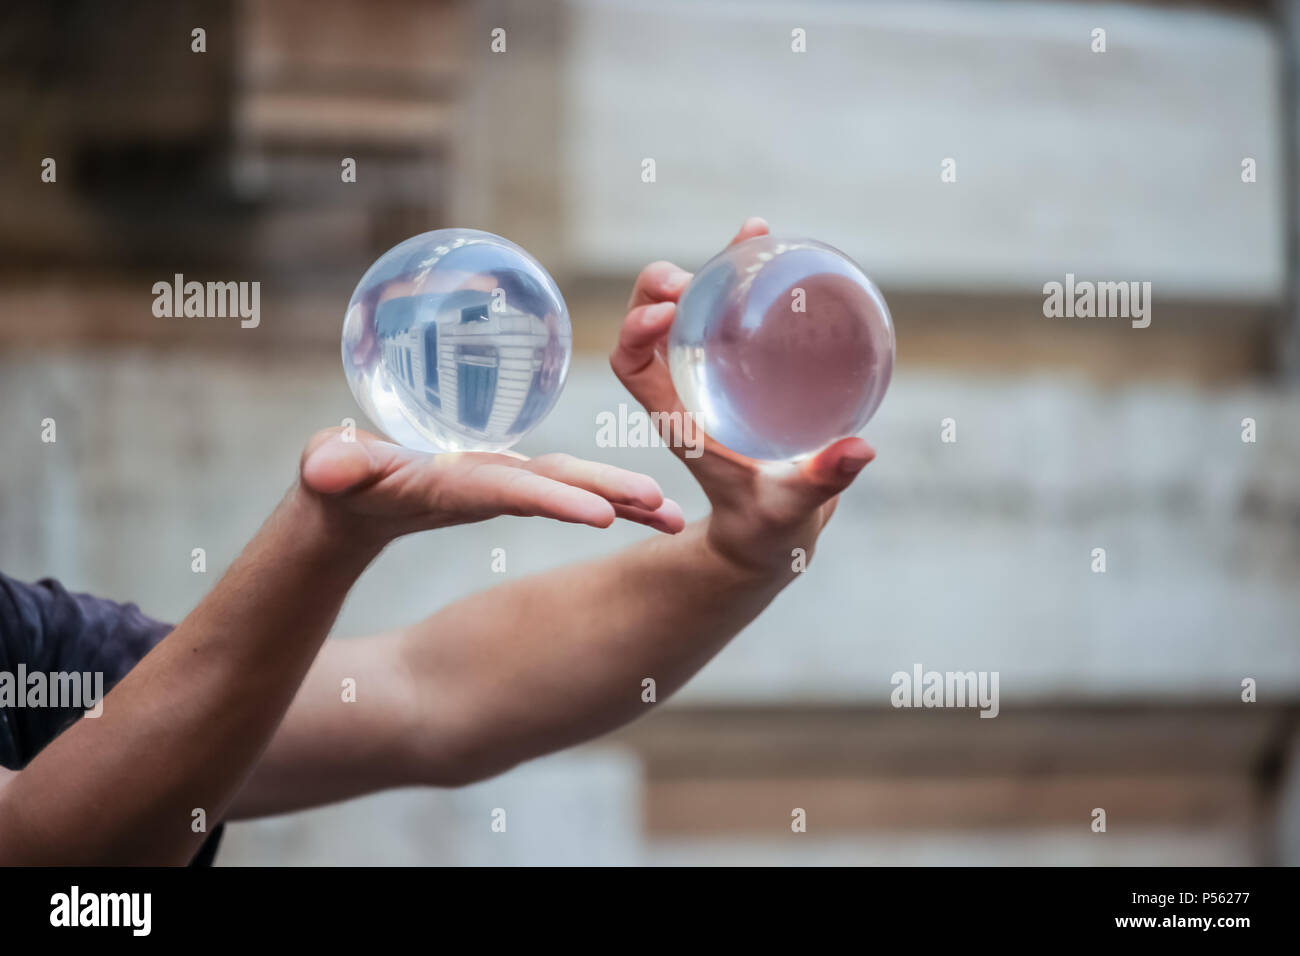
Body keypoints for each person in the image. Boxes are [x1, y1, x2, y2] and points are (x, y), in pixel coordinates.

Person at [0, 219, 875, 865]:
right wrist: (324, 538)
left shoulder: (29, 642)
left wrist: (741, 558)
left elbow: (435, 695)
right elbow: (44, 855)